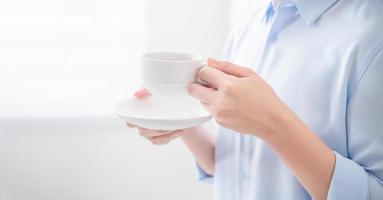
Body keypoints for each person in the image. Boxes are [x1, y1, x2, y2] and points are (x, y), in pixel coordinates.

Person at [127, 0, 383, 199]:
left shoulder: (373, 36)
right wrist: (182, 124)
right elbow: (236, 166)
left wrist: (271, 123)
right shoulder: (247, 30)